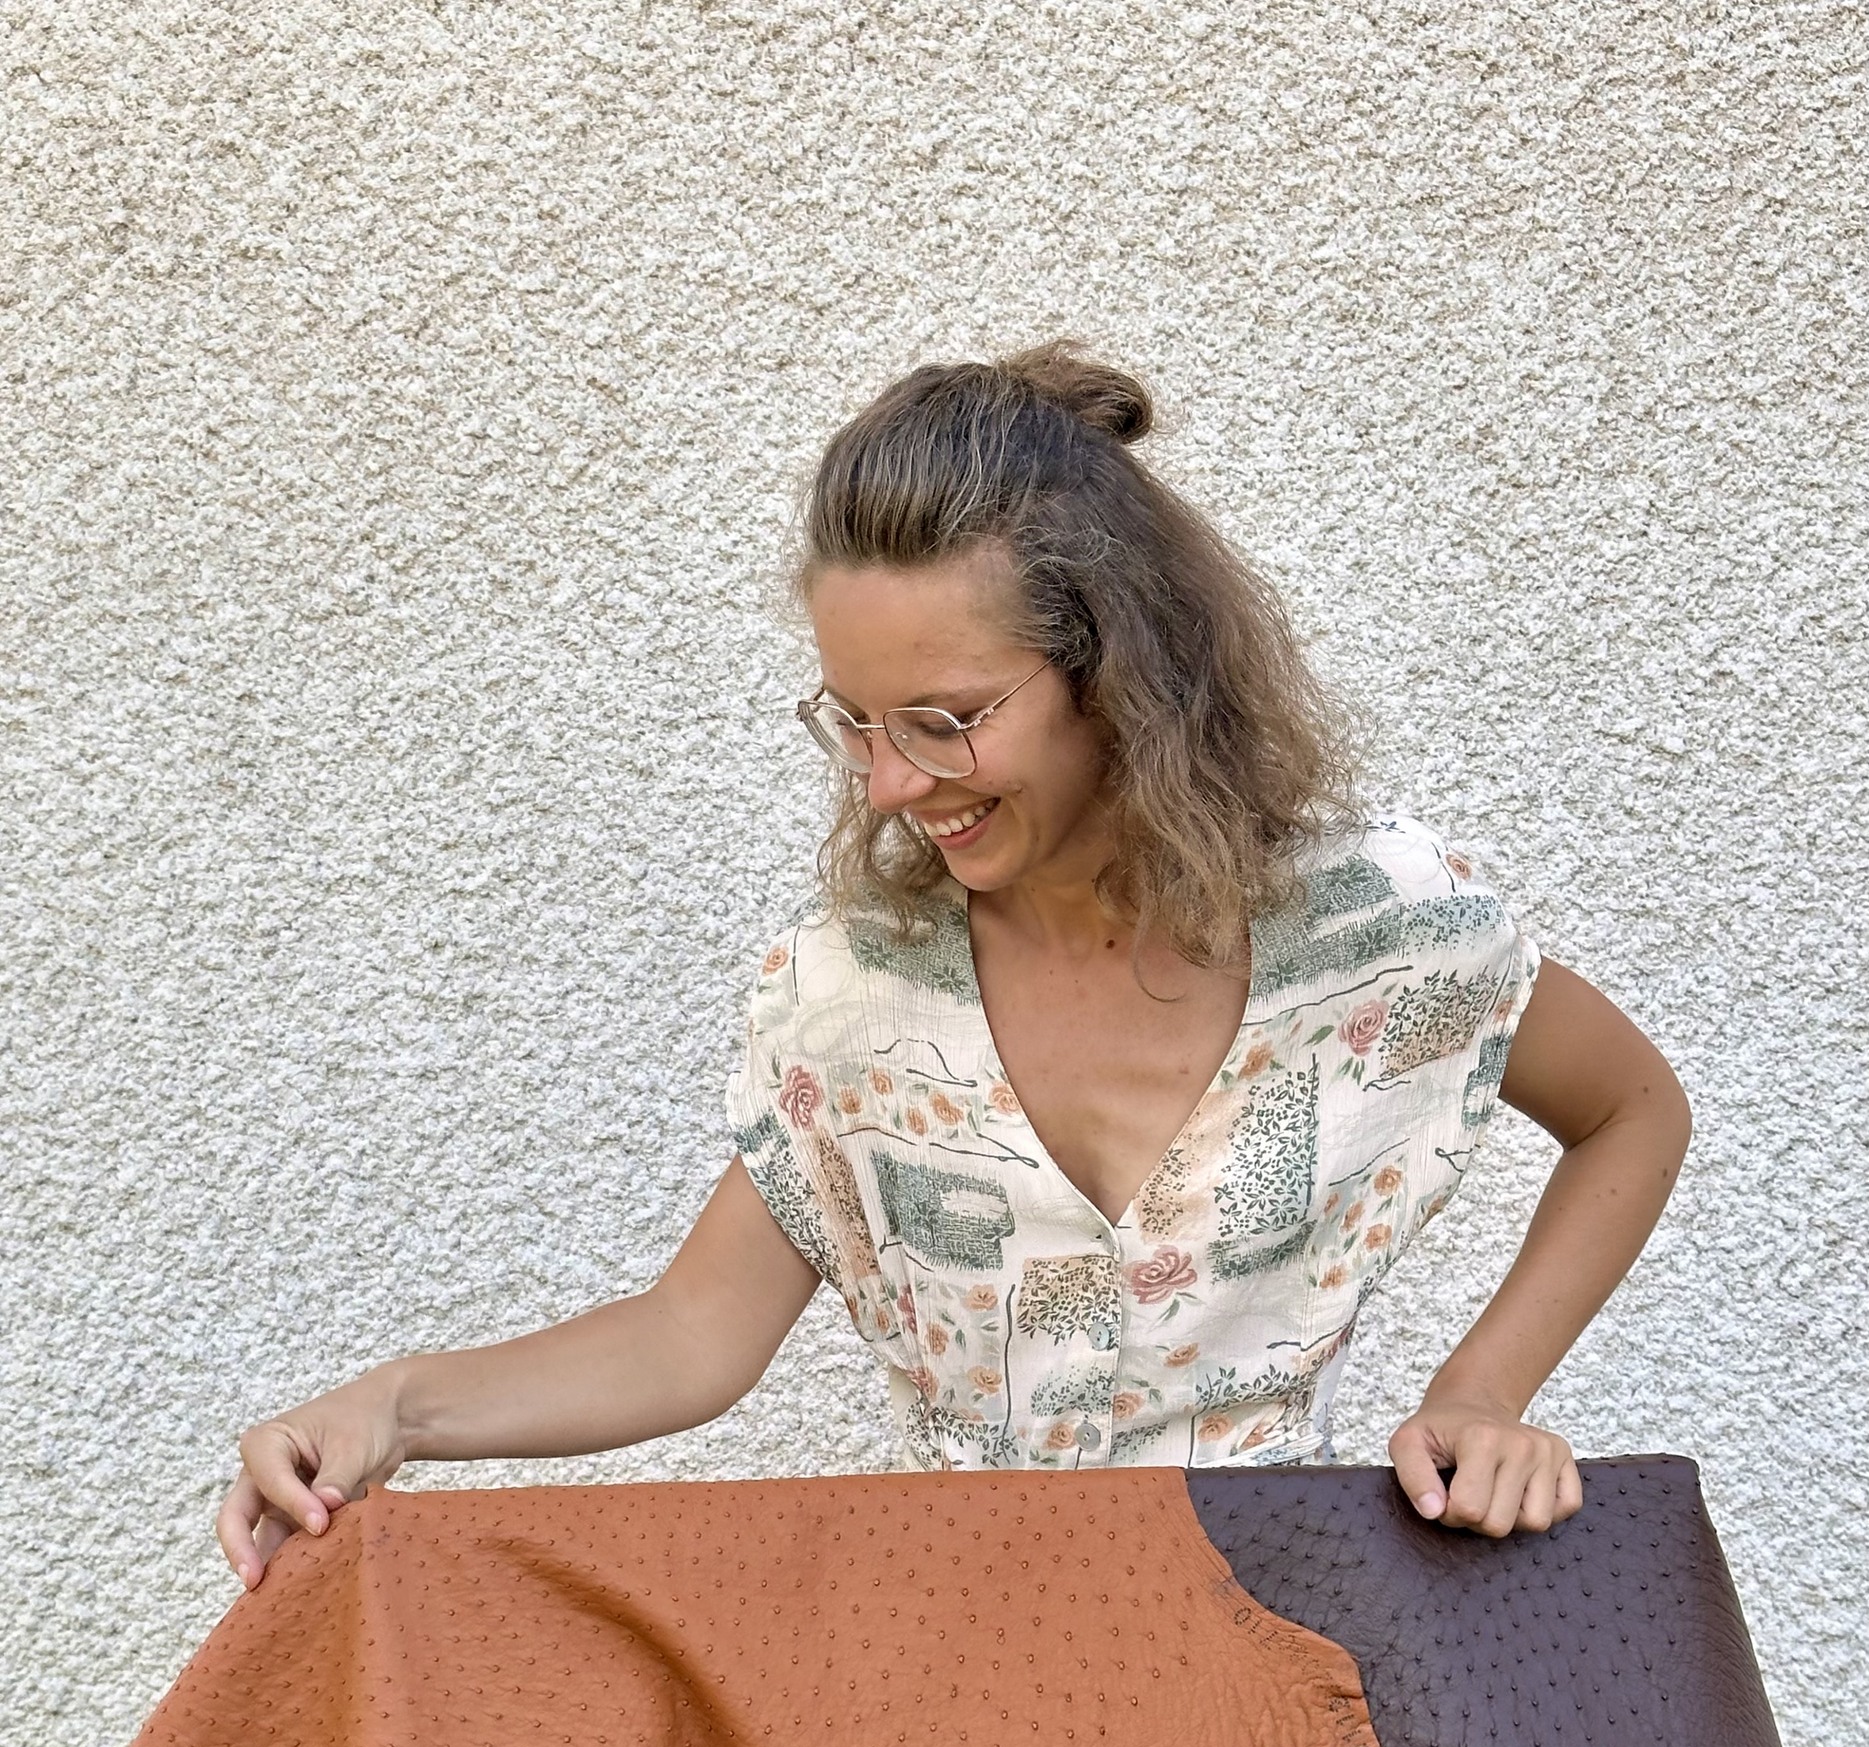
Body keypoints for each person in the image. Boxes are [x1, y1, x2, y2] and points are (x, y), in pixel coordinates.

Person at [218, 340, 1692, 1590]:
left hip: (1275, 1630)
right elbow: (691, 1335)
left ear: (1116, 667)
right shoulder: (854, 997)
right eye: (854, 724)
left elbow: (1631, 1110)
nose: (887, 785)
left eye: (943, 720)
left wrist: (1481, 1393)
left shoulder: (1375, 930)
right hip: (953, 1672)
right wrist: (392, 1409)